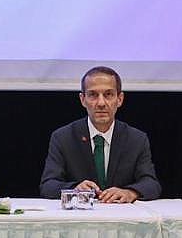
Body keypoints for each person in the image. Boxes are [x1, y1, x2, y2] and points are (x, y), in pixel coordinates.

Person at [39, 66, 161, 202]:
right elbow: (48, 185)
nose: (101, 103)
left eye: (108, 94)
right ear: (82, 99)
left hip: (121, 212)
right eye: (93, 95)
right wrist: (74, 189)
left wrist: (130, 192)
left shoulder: (136, 139)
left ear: (120, 99)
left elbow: (151, 184)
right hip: (81, 212)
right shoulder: (63, 137)